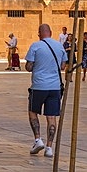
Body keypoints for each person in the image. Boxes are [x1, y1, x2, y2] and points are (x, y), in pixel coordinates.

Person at [25, 23, 67, 159]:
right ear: (51, 32)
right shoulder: (59, 46)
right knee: (51, 117)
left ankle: (38, 139)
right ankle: (49, 147)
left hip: (38, 86)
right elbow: (63, 66)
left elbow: (28, 67)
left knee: (33, 112)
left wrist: (37, 64)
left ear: (39, 33)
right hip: (54, 87)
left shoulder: (35, 46)